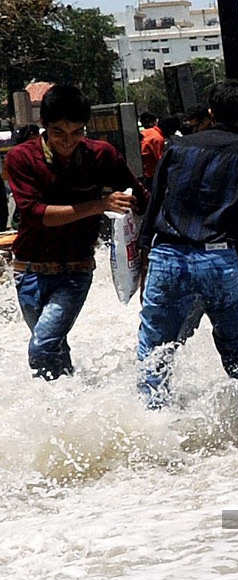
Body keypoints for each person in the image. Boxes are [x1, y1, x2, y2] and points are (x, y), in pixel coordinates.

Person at [137, 79, 238, 411]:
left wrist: (144, 258)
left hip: (168, 256)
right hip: (220, 259)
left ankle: (154, 427)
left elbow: (154, 204)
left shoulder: (176, 148)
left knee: (156, 351)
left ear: (210, 112)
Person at [5, 85, 147, 380]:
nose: (68, 141)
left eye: (76, 132)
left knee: (41, 348)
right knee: (54, 351)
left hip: (75, 272)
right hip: (28, 272)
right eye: (59, 133)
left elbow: (142, 198)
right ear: (44, 126)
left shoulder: (101, 155)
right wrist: (98, 205)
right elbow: (35, 214)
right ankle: (64, 414)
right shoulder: (21, 158)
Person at [140, 115, 179, 188]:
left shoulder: (149, 131)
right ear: (169, 129)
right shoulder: (158, 138)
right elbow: (161, 160)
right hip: (151, 176)